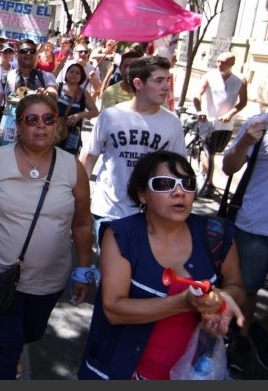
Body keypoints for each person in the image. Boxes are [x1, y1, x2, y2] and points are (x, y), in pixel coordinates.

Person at [0, 93, 95, 380]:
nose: (41, 126)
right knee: (5, 345)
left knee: (32, 332)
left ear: (57, 125)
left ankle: (16, 349)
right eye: (32, 120)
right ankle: (9, 359)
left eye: (48, 119)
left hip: (48, 280)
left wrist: (84, 269)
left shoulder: (72, 168)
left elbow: (83, 222)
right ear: (19, 126)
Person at [78, 150, 245, 380]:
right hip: (124, 373)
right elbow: (114, 309)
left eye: (187, 183)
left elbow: (236, 286)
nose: (179, 192)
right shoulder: (122, 236)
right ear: (142, 194)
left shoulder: (216, 234)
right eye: (164, 184)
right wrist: (184, 302)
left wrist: (224, 300)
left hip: (193, 373)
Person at [79, 56, 186, 250]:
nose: (166, 87)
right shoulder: (110, 116)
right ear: (138, 83)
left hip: (150, 216)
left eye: (167, 80)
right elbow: (89, 157)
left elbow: (179, 172)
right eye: (158, 80)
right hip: (108, 212)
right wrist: (79, 200)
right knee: (108, 274)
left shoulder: (172, 123)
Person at [222, 110, 268, 374]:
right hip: (255, 227)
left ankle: (263, 329)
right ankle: (242, 339)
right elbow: (228, 167)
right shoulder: (263, 124)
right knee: (247, 288)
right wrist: (245, 142)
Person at [0, 39, 58, 152]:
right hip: (9, 132)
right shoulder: (6, 78)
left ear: (36, 55)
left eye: (32, 51)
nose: (28, 53)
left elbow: (54, 94)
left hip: (36, 133)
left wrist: (47, 93)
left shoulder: (46, 77)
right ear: (17, 55)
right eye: (24, 51)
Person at [192, 52, 248, 198]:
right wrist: (199, 110)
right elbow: (197, 95)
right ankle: (209, 182)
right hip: (208, 122)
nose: (219, 65)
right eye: (218, 61)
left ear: (232, 64)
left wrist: (231, 113)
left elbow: (243, 102)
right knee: (208, 152)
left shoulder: (240, 80)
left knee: (215, 153)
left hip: (226, 125)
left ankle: (205, 176)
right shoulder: (210, 76)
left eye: (223, 62)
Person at [55, 63, 99, 156]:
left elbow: (95, 112)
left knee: (69, 161)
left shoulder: (83, 93)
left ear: (81, 77)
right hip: (54, 131)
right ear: (66, 74)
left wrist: (79, 115)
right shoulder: (58, 87)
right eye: (71, 72)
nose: (74, 74)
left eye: (77, 73)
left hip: (73, 134)